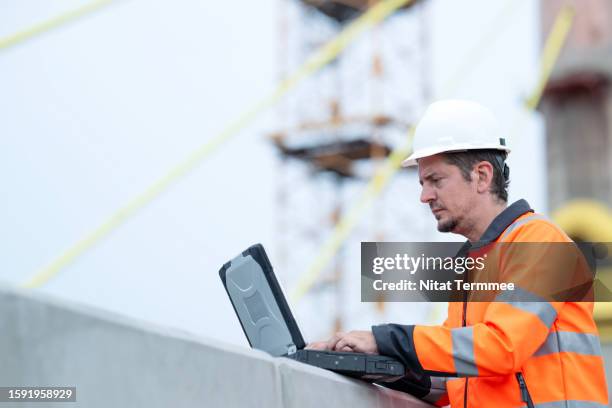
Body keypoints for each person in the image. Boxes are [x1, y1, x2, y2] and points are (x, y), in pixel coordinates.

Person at [307, 100, 609, 407]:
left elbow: (501, 347)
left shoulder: (542, 243)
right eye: (423, 183)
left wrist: (386, 339)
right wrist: (379, 364)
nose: (424, 196)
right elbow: (459, 378)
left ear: (481, 176)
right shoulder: (472, 263)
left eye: (436, 180)